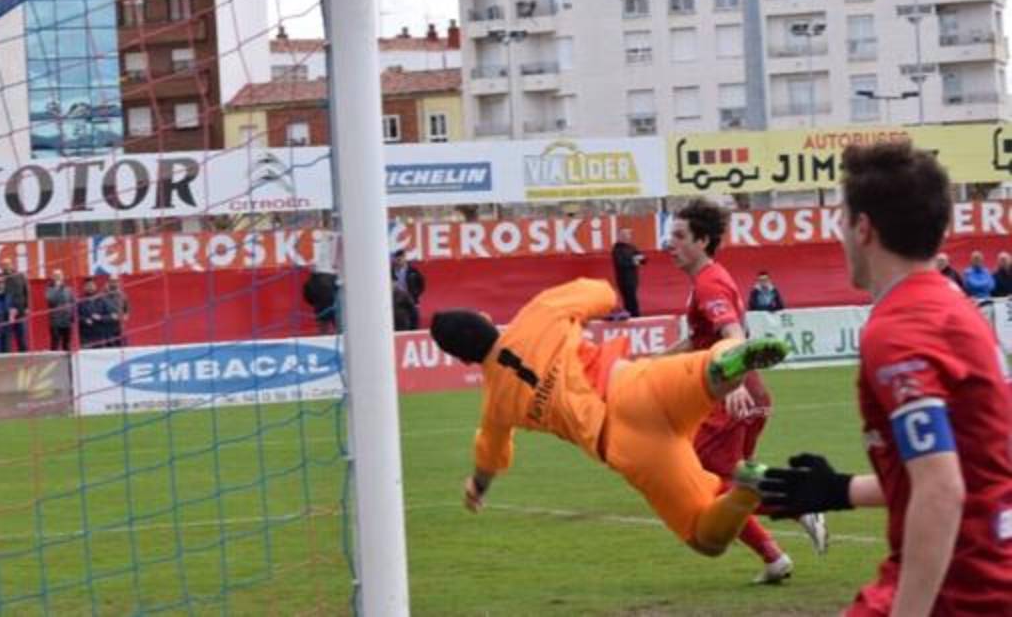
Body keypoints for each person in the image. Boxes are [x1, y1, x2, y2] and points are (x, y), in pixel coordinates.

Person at [755, 142, 1012, 616]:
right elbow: (974, 465)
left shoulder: (900, 329)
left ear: (864, 228)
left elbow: (942, 487)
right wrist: (839, 490)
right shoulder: (955, 308)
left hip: (960, 591)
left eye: (841, 223)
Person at [432, 278, 792, 557]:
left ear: (463, 360)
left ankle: (747, 489)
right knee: (708, 372)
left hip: (626, 444)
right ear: (484, 319)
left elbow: (491, 455)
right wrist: (578, 316)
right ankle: (730, 353)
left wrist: (478, 486)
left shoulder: (497, 404)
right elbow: (602, 293)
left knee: (706, 537)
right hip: (633, 384)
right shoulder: (540, 311)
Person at [664, 198, 825, 583]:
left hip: (734, 396)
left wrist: (732, 381)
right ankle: (773, 558)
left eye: (679, 236)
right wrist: (651, 362)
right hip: (746, 395)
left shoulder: (708, 284)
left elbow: (733, 334)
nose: (670, 243)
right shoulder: (707, 280)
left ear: (702, 241)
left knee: (704, 481)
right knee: (726, 488)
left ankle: (799, 502)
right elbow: (698, 341)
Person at [611, 228, 646, 317]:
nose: (627, 236)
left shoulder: (632, 247)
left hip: (633, 279)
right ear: (619, 236)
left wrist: (633, 260)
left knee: (633, 298)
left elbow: (643, 260)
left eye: (628, 234)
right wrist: (634, 261)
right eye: (625, 234)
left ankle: (634, 316)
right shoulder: (616, 249)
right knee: (629, 300)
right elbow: (621, 263)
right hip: (623, 279)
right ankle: (633, 317)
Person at [0, 258, 29, 352]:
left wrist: (27, 307)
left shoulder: (20, 275)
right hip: (6, 313)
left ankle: (24, 356)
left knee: (22, 336)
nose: (6, 266)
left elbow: (26, 292)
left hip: (21, 311)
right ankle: (8, 358)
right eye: (3, 265)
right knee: (7, 338)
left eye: (7, 264)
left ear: (12, 264)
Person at [390, 250, 425, 330]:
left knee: (414, 317)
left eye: (400, 259)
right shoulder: (390, 271)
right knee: (399, 318)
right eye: (396, 259)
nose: (398, 261)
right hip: (397, 300)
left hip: (411, 298)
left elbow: (421, 284)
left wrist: (416, 294)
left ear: (404, 258)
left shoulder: (413, 271)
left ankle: (413, 332)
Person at [77, 277, 115, 349]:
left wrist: (101, 318)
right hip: (85, 336)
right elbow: (74, 317)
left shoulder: (103, 300)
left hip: (100, 336)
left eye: (92, 285)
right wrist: (85, 320)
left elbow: (112, 316)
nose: (90, 287)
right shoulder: (80, 301)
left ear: (95, 286)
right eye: (88, 286)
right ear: (84, 288)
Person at [302, 264, 340, 334]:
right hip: (334, 307)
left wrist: (316, 303)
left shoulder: (309, 282)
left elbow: (308, 297)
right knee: (340, 330)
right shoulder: (332, 277)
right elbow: (338, 290)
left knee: (323, 332)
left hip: (320, 309)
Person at [45, 269, 76, 351]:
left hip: (66, 319)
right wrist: (58, 288)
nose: (58, 277)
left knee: (67, 343)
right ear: (53, 277)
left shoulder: (68, 289)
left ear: (62, 277)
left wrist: (72, 315)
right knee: (55, 342)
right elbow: (50, 300)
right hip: (55, 321)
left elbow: (73, 302)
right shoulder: (49, 289)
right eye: (56, 276)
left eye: (59, 275)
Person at [106, 275, 131, 347]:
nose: (114, 283)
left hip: (120, 327)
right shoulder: (103, 295)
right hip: (108, 328)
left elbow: (127, 311)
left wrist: (125, 316)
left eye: (116, 281)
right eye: (112, 281)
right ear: (108, 282)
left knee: (124, 347)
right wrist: (110, 317)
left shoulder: (123, 296)